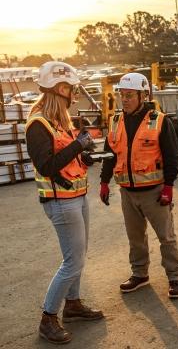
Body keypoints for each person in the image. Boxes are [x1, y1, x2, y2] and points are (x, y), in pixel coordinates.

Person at [25, 61, 104, 345]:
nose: (74, 95)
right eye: (71, 90)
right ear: (61, 89)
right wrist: (77, 146)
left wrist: (83, 156)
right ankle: (48, 318)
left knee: (78, 256)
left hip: (76, 197)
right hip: (60, 201)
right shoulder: (38, 124)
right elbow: (46, 166)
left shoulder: (60, 121)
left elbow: (66, 160)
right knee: (72, 261)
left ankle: (73, 305)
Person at [99, 72, 178, 299]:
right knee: (135, 238)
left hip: (154, 192)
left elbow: (173, 157)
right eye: (122, 95)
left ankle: (174, 277)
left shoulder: (159, 121)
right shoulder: (115, 121)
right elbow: (110, 155)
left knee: (166, 237)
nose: (124, 99)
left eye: (129, 95)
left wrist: (168, 188)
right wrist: (104, 182)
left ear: (143, 95)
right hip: (127, 193)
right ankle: (140, 274)